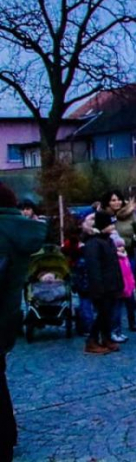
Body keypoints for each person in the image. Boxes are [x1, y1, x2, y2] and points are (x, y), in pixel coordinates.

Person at [0, 183, 46, 461]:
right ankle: (8, 434)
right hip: (7, 315)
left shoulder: (2, 232)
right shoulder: (20, 231)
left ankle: (4, 439)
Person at [101, 190, 136, 343]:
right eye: (113, 200)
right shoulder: (103, 216)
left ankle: (132, 319)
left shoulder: (129, 215)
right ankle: (113, 327)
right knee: (115, 293)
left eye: (118, 199)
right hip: (110, 258)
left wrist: (133, 242)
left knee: (128, 290)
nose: (116, 203)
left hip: (128, 255)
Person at [82, 211, 124, 354]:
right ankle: (92, 340)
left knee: (107, 314)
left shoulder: (108, 240)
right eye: (110, 224)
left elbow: (114, 264)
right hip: (102, 287)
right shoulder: (93, 243)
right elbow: (94, 269)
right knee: (102, 314)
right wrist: (98, 289)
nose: (112, 226)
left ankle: (106, 338)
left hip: (111, 285)